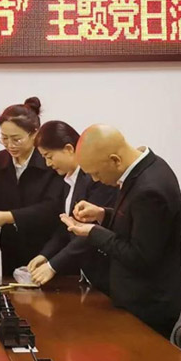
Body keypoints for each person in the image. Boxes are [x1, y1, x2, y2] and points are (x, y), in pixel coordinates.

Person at [60, 124, 181, 338]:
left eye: (96, 173)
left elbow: (140, 256)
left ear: (115, 160)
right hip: (137, 296)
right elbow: (136, 224)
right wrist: (102, 214)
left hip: (149, 303)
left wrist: (93, 232)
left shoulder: (150, 189)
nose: (95, 179)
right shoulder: (147, 167)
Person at [0, 98, 64, 277]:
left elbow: (52, 208)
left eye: (16, 139)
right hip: (11, 249)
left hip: (47, 251)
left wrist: (7, 217)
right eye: (4, 138)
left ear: (35, 134)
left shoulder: (49, 161)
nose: (10, 145)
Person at [26, 121, 117, 290]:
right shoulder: (68, 180)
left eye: (49, 156)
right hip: (86, 273)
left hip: (106, 273)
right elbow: (67, 226)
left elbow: (90, 231)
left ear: (68, 149)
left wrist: (53, 266)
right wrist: (45, 255)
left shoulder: (96, 178)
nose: (48, 164)